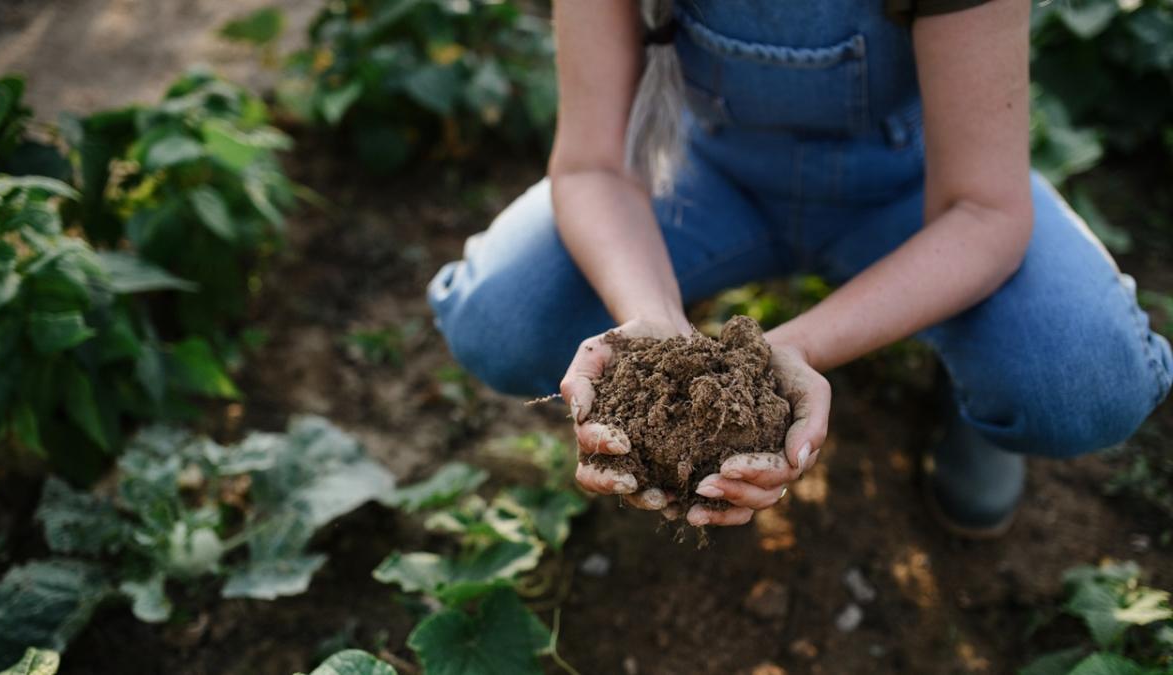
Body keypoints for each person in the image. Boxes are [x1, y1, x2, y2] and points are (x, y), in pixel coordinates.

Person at [427, 0, 1173, 537]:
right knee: (504, 321)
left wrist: (793, 349)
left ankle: (977, 398)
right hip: (703, 173)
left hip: (919, 192)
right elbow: (593, 165)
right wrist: (651, 328)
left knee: (1082, 380)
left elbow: (984, 209)